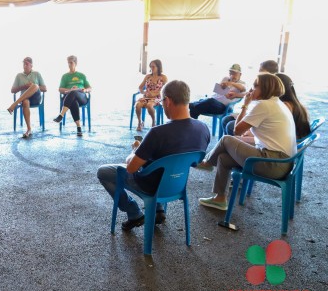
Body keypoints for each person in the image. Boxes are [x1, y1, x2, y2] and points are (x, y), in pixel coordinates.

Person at [97, 80, 210, 230]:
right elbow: (195, 161)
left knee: (103, 172)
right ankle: (158, 209)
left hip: (150, 185)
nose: (161, 105)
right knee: (159, 163)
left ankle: (134, 213)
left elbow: (131, 168)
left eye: (161, 101)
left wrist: (135, 151)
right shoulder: (203, 129)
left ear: (168, 101)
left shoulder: (158, 133)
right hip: (177, 184)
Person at [198, 73, 297, 211]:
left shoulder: (265, 105)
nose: (251, 90)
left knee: (226, 139)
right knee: (224, 158)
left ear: (265, 88)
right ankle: (220, 199)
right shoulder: (277, 103)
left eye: (255, 86)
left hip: (274, 164)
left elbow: (236, 130)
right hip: (284, 163)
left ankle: (207, 163)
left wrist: (245, 105)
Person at [222, 60, 279, 136]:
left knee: (230, 126)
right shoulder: (264, 84)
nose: (258, 73)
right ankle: (229, 144)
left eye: (261, 71)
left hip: (261, 122)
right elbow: (250, 93)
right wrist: (236, 95)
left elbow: (237, 130)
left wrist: (245, 106)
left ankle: (231, 144)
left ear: (269, 73)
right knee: (226, 119)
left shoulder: (270, 90)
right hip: (255, 114)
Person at [7, 57, 47, 138]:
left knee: (35, 85)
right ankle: (29, 129)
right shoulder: (19, 76)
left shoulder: (37, 74)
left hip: (36, 98)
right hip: (25, 99)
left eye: (27, 64)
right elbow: (12, 90)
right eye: (23, 64)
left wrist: (33, 86)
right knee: (25, 101)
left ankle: (14, 105)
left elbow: (45, 88)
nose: (25, 66)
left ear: (31, 65)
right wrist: (24, 86)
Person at [53, 55, 92, 137]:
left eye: (71, 63)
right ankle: (79, 128)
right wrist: (70, 90)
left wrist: (84, 90)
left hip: (81, 96)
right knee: (73, 99)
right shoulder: (65, 76)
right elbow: (60, 89)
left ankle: (61, 115)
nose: (69, 65)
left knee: (75, 92)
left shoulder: (81, 75)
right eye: (68, 63)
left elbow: (89, 88)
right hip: (69, 97)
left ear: (75, 63)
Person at [134, 59, 168, 130]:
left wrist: (156, 93)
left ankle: (153, 121)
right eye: (150, 66)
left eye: (153, 66)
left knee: (149, 105)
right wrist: (144, 92)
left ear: (158, 67)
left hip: (157, 98)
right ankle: (140, 123)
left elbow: (166, 90)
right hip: (146, 97)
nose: (151, 68)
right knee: (137, 105)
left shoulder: (163, 77)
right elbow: (140, 87)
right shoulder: (148, 76)